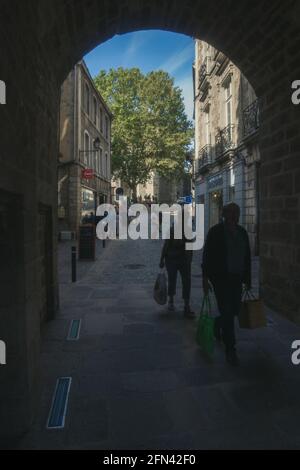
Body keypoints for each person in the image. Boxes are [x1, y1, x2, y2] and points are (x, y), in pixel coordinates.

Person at [202, 203, 251, 366]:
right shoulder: (215, 232)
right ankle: (231, 349)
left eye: (237, 212)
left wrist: (248, 279)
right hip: (221, 279)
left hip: (237, 278)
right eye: (232, 213)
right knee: (228, 312)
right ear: (224, 215)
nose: (235, 216)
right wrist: (205, 279)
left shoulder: (242, 232)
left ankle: (217, 324)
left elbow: (247, 257)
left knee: (235, 309)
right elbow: (207, 256)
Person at [159, 208, 195, 318]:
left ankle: (185, 304)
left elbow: (190, 247)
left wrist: (190, 259)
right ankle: (173, 301)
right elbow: (166, 246)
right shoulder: (173, 229)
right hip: (173, 260)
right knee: (174, 280)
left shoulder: (187, 229)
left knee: (185, 281)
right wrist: (162, 259)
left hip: (182, 260)